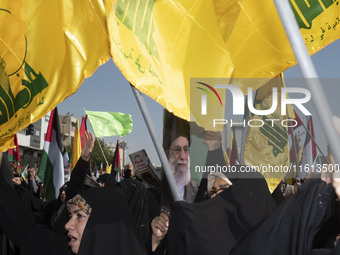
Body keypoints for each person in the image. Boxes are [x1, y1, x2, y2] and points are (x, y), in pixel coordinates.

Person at [0, 150, 147, 255]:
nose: (67, 225)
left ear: (103, 223)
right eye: (71, 215)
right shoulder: (64, 248)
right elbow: (25, 231)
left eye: (80, 216)